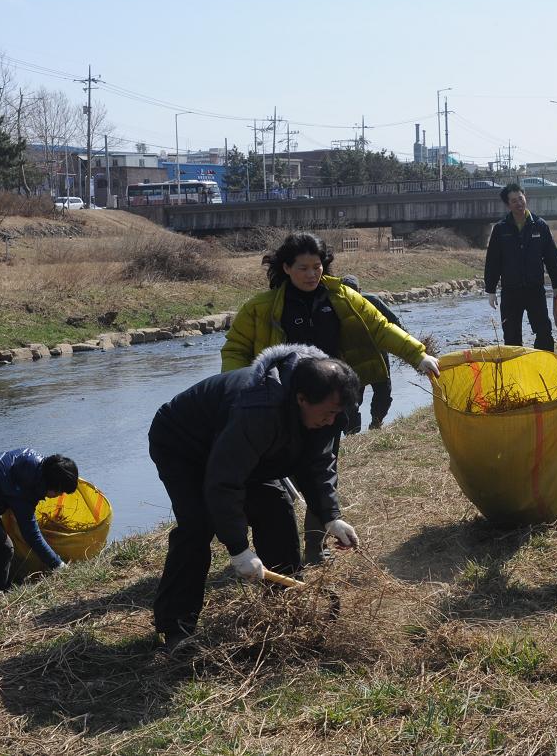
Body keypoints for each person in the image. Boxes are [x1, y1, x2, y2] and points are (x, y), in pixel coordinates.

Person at [220, 232, 439, 564]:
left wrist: (418, 356)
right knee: (279, 481)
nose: (311, 274)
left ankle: (316, 548)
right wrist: (238, 393)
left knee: (321, 472)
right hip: (279, 407)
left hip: (328, 405)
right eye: (303, 268)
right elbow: (235, 350)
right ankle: (275, 551)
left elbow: (380, 327)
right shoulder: (260, 309)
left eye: (317, 266)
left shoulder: (343, 298)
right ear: (286, 268)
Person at [148, 345, 362, 650]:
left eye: (337, 414)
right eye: (328, 414)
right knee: (197, 525)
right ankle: (176, 628)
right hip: (185, 443)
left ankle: (286, 605)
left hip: (242, 446)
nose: (332, 421)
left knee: (275, 506)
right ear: (301, 399)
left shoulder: (327, 405)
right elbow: (225, 480)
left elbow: (317, 461)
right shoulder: (259, 407)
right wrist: (238, 549)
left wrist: (331, 516)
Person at [0, 449, 79, 596]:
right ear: (51, 484)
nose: (59, 496)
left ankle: (2, 588)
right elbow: (31, 534)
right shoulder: (23, 487)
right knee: (2, 548)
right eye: (59, 492)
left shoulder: (38, 468)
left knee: (4, 546)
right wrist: (58, 565)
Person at [484, 183, 557, 351]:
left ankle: (544, 369)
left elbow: (551, 256)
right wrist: (490, 289)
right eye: (513, 201)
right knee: (511, 337)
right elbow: (493, 261)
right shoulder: (500, 229)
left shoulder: (540, 225)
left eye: (520, 198)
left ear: (525, 198)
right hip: (510, 291)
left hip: (535, 289)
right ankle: (515, 374)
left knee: (543, 332)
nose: (518, 203)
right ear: (508, 205)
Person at [340, 274, 402, 431]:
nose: (350, 295)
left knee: (383, 392)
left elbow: (393, 322)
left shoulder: (373, 301)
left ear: (359, 291)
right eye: (346, 291)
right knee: (352, 397)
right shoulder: (336, 305)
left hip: (377, 355)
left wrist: (403, 346)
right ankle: (352, 431)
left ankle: (376, 422)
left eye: (353, 291)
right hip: (352, 359)